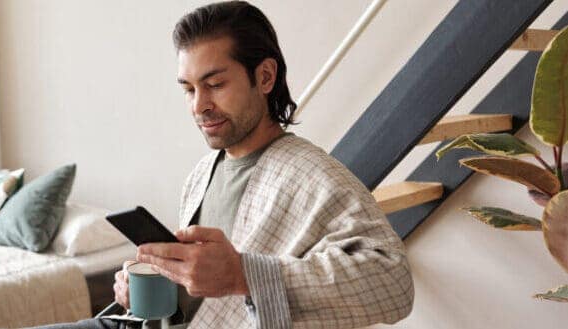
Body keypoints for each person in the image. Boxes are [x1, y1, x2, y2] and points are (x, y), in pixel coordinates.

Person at [37, 1, 413, 329]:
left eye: (215, 84)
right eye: (188, 88)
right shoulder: (203, 172)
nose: (199, 105)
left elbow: (393, 283)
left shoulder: (315, 176)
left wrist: (244, 274)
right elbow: (201, 298)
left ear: (265, 77)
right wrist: (153, 284)